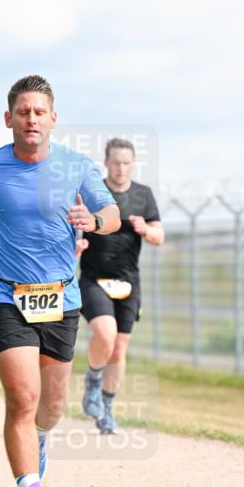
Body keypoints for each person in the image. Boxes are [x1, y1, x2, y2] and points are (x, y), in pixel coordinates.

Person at [0, 75, 119, 487]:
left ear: (53, 118)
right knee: (22, 398)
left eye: (39, 112)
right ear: (9, 118)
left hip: (61, 296)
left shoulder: (78, 166)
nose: (31, 119)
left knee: (52, 406)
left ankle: (40, 440)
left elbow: (112, 214)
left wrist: (95, 219)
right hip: (7, 294)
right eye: (23, 112)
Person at [77, 137, 165, 434]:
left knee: (118, 349)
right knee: (105, 334)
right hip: (93, 278)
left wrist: (145, 229)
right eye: (115, 162)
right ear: (106, 163)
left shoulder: (143, 195)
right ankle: (92, 379)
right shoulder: (93, 193)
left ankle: (107, 410)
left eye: (126, 162)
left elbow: (159, 236)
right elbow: (73, 227)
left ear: (134, 163)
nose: (121, 167)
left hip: (128, 280)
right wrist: (77, 243)